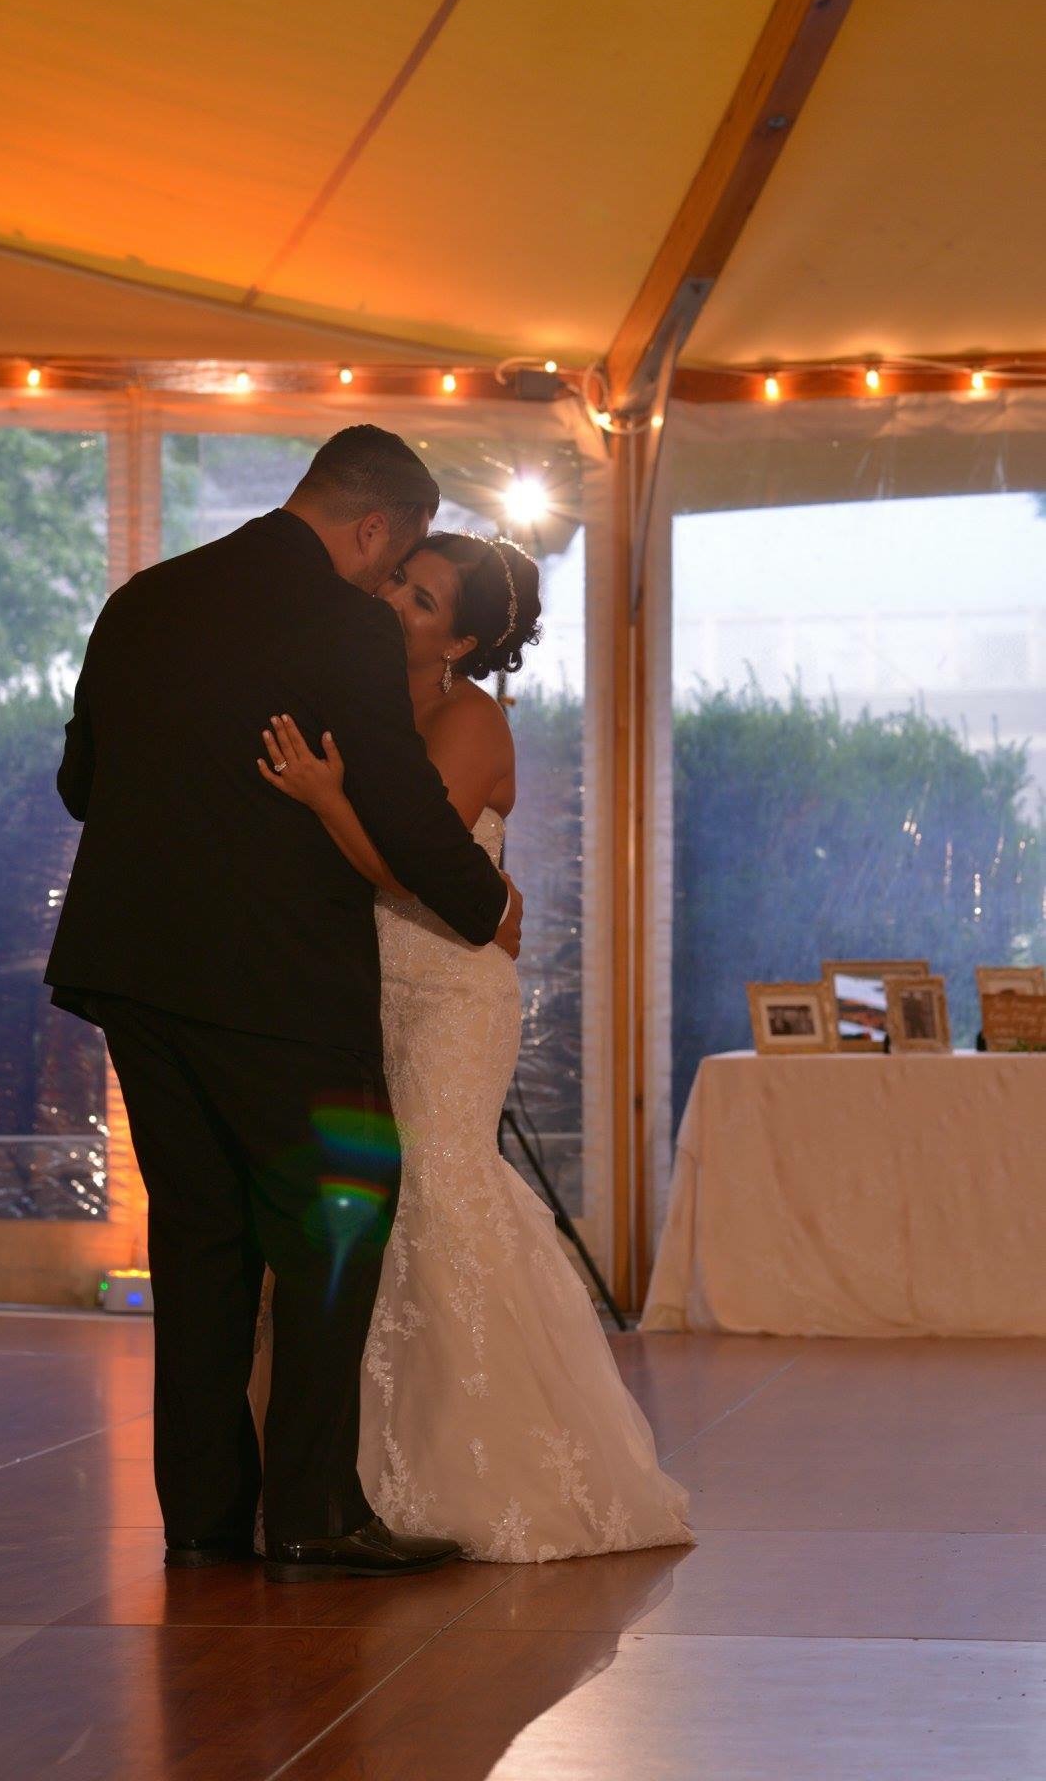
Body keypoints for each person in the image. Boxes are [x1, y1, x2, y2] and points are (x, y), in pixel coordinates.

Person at [46, 427, 524, 1583]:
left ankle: (205, 1516)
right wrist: (484, 903)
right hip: (279, 980)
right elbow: (403, 804)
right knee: (335, 1228)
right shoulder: (342, 622)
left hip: (135, 970)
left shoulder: (143, 598)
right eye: (392, 562)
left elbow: (80, 783)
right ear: (374, 529)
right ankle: (313, 1511)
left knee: (200, 1233)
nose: (384, 584)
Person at [256, 531, 693, 1560]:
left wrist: (324, 797)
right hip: (367, 985)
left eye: (420, 599)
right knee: (364, 1202)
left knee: (438, 1187)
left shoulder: (469, 717)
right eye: (398, 581)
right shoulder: (361, 700)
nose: (392, 600)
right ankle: (352, 1474)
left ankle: (490, 1468)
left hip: (450, 990)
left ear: (458, 642)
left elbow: (421, 869)